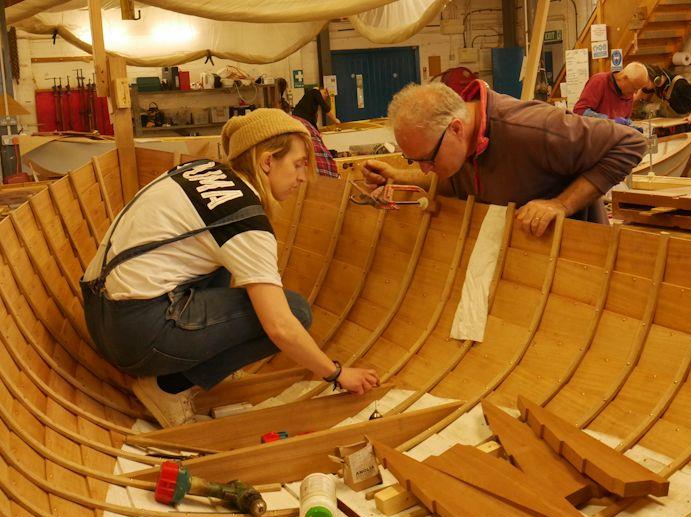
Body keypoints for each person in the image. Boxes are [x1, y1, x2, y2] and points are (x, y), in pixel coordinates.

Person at [81, 109, 379, 428]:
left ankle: (200, 363)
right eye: (298, 164)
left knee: (226, 261)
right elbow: (281, 326)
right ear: (267, 162)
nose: (303, 177)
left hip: (98, 314)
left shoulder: (199, 170)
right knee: (295, 313)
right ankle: (169, 387)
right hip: (137, 334)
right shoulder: (245, 220)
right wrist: (337, 373)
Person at [361, 81, 646, 237]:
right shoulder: (456, 147)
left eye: (428, 160)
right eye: (415, 161)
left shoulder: (531, 128)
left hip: (576, 258)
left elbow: (630, 142)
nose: (426, 169)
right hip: (523, 263)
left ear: (457, 129)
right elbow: (454, 182)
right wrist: (399, 176)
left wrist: (560, 204)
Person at [573, 62, 651, 125]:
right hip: (593, 140)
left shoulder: (628, 94)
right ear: (624, 78)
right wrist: (609, 121)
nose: (635, 93)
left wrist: (630, 125)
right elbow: (579, 111)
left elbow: (625, 119)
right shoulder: (599, 81)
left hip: (613, 139)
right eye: (634, 88)